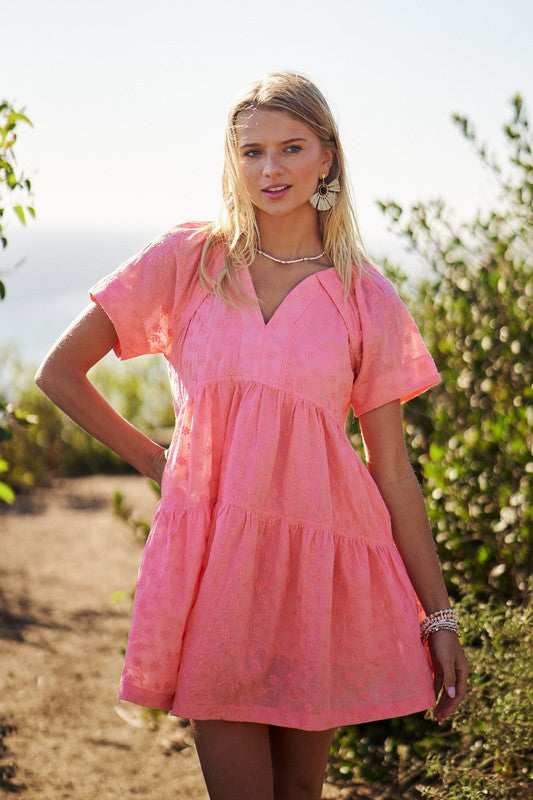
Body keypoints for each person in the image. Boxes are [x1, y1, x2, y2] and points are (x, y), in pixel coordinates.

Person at [35, 71, 470, 800]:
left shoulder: (365, 297)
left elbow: (391, 473)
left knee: (299, 793)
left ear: (326, 156)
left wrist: (439, 617)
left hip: (319, 571)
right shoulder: (189, 262)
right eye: (252, 152)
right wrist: (157, 460)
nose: (270, 170)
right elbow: (60, 372)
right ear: (232, 160)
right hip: (215, 572)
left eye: (290, 148)